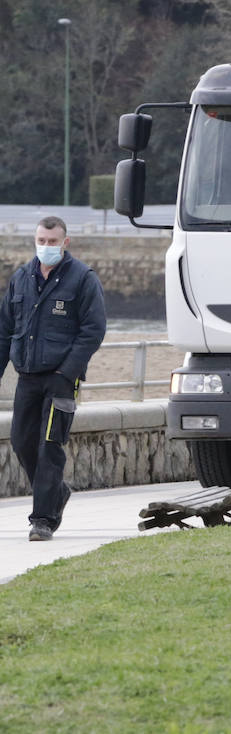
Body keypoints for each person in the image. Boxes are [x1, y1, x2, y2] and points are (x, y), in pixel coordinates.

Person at [0, 216, 107, 541]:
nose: (46, 247)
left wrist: (68, 371)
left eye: (52, 241)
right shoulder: (21, 277)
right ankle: (56, 493)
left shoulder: (82, 279)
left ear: (65, 242)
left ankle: (43, 519)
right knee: (21, 441)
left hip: (62, 378)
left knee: (50, 446)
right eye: (41, 241)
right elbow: (5, 330)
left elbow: (93, 330)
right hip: (28, 377)